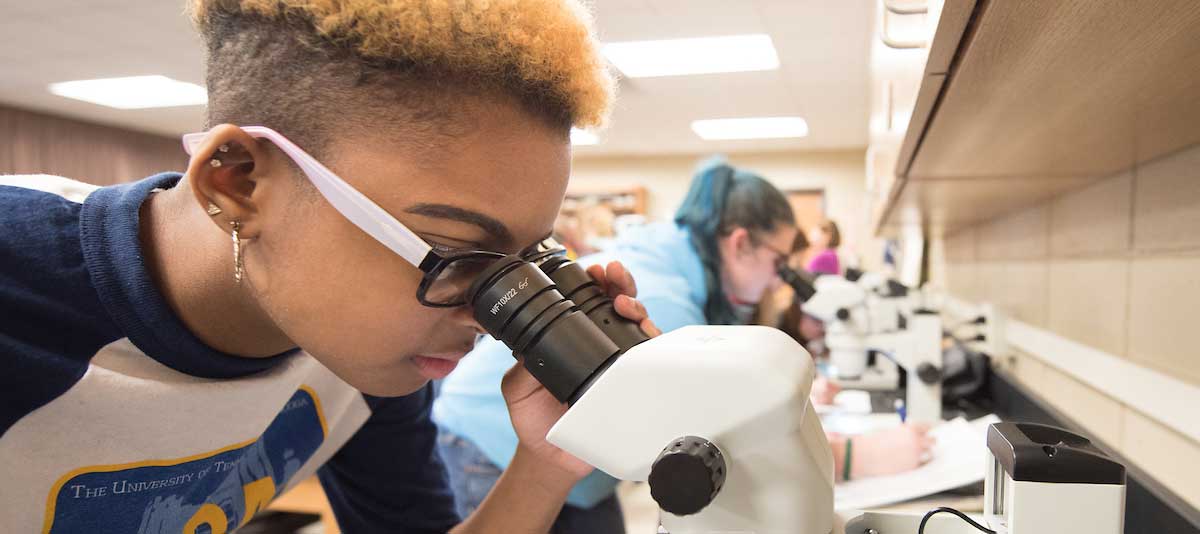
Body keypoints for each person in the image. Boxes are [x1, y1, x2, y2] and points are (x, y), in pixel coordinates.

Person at [0, 1, 661, 532]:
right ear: (238, 182)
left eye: (524, 262)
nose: (485, 318)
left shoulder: (363, 351)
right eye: (460, 256)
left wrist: (544, 463)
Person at [434, 160, 930, 531]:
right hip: (490, 441)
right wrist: (852, 459)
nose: (781, 283)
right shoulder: (668, 295)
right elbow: (690, 433)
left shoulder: (678, 263)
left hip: (562, 452)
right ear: (739, 245)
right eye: (779, 264)